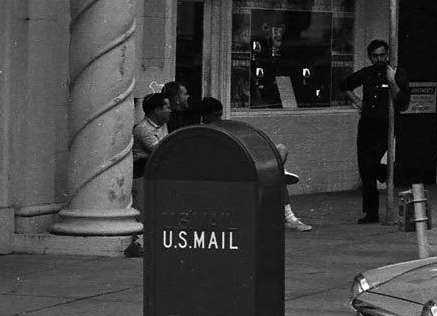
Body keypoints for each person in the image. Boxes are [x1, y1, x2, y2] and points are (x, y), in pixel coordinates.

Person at [197, 97, 311, 231]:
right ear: (205, 116)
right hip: (228, 175)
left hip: (243, 165)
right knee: (276, 175)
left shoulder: (227, 128)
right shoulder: (202, 133)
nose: (219, 119)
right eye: (216, 116)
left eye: (220, 115)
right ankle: (288, 216)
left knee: (281, 149)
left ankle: (278, 170)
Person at [342, 39, 410, 223]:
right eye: (375, 56)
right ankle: (371, 212)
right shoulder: (367, 73)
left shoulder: (397, 73)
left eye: (382, 55)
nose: (379, 59)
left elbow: (403, 102)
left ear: (387, 55)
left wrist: (392, 82)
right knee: (365, 169)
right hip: (367, 126)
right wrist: (358, 102)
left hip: (387, 127)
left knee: (382, 166)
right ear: (369, 56)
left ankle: (383, 180)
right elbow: (345, 85)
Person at [132, 92, 171, 178]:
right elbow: (161, 151)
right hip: (143, 173)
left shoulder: (162, 124)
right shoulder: (143, 129)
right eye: (168, 108)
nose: (170, 111)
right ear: (157, 111)